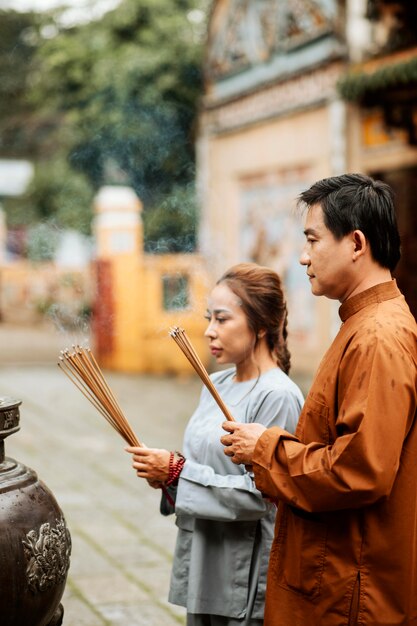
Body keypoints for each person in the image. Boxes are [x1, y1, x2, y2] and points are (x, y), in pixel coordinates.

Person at [221, 173, 417, 626]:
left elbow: (360, 470)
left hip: (350, 590)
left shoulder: (378, 337)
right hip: (338, 575)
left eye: (312, 240)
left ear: (356, 243)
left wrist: (266, 448)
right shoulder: (362, 323)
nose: (304, 257)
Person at [126, 262, 304, 626]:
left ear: (260, 325)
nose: (209, 331)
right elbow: (199, 464)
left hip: (245, 566)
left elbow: (264, 494)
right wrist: (168, 474)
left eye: (222, 320)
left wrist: (178, 473)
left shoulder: (278, 395)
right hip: (205, 552)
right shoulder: (217, 383)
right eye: (209, 318)